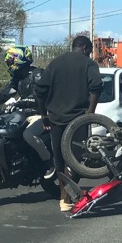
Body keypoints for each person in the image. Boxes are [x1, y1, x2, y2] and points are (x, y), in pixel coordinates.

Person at [35, 35, 102, 213]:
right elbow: (96, 86)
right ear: (86, 49)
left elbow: (39, 90)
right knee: (75, 159)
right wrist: (90, 112)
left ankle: (64, 198)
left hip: (56, 119)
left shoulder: (55, 63)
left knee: (60, 160)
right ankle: (71, 195)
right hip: (78, 119)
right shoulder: (88, 64)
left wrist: (43, 115)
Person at [0, 45, 49, 163]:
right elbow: (4, 94)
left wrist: (20, 103)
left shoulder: (37, 74)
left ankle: (48, 162)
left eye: (10, 61)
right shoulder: (17, 79)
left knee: (29, 134)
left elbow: (38, 97)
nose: (8, 64)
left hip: (41, 114)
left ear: (18, 59)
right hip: (25, 114)